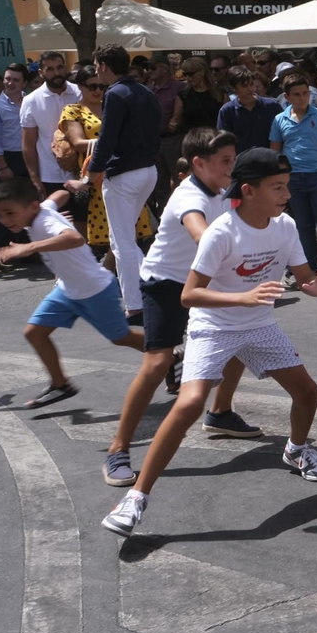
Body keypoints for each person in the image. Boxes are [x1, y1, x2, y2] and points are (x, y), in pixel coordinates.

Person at [101, 149, 317, 537]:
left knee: (307, 391)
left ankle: (296, 450)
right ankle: (136, 498)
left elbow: (305, 278)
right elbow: (189, 295)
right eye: (277, 187)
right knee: (190, 403)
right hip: (214, 325)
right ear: (248, 191)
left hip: (260, 325)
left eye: (287, 186)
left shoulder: (285, 226)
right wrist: (241, 298)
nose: (286, 194)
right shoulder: (222, 231)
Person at [103, 128, 253, 489]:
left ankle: (219, 413)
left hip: (203, 280)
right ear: (198, 164)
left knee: (240, 340)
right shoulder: (188, 196)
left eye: (234, 159)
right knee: (156, 363)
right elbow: (202, 235)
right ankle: (118, 448)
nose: (232, 168)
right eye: (225, 162)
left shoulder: (224, 190)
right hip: (166, 285)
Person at [0, 177, 147, 408]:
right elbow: (57, 197)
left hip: (94, 289)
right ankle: (60, 384)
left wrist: (28, 247)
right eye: (0, 214)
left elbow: (74, 238)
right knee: (34, 333)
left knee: (121, 337)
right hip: (68, 290)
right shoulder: (41, 210)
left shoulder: (43, 222)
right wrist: (69, 188)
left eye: (9, 213)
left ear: (31, 206)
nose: (4, 220)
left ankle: (170, 352)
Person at [87, 45, 163, 315]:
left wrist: (93, 170)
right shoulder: (145, 91)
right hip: (148, 171)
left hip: (124, 174)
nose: (96, 70)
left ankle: (135, 305)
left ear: (104, 66)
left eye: (97, 65)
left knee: (122, 242)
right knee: (125, 240)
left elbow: (108, 137)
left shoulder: (115, 93)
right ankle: (152, 290)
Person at [59, 66, 155, 257]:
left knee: (127, 234)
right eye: (91, 86)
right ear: (80, 86)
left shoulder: (112, 102)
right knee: (98, 239)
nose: (97, 91)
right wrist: (113, 141)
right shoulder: (73, 110)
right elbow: (78, 143)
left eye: (101, 86)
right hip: (92, 180)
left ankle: (111, 275)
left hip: (121, 173)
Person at [270, 73, 317, 271]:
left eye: (305, 93)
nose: (302, 98)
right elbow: (274, 154)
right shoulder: (279, 120)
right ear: (287, 97)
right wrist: (276, 184)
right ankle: (310, 270)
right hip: (293, 179)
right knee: (303, 226)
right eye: (297, 94)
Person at [19, 51, 82, 201]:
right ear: (41, 73)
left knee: (82, 223)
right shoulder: (31, 101)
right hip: (50, 177)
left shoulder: (80, 93)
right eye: (50, 69)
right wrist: (35, 179)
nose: (57, 73)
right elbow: (28, 144)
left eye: (60, 67)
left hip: (82, 175)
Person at [146, 54, 187, 199]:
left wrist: (178, 120)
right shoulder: (148, 90)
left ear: (164, 68)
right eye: (147, 68)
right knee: (158, 183)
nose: (148, 71)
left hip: (174, 140)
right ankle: (162, 216)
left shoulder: (180, 87)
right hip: (154, 141)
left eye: (152, 67)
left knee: (179, 179)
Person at [216, 65, 281, 153]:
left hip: (270, 161)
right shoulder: (227, 111)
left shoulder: (272, 106)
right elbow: (223, 142)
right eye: (244, 86)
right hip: (240, 163)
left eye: (251, 84)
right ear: (233, 88)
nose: (250, 89)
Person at [172, 56, 226, 135]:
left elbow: (226, 120)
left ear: (202, 72)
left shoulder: (220, 93)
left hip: (215, 140)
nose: (188, 78)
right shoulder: (183, 95)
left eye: (191, 74)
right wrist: (172, 125)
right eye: (185, 74)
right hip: (192, 140)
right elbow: (176, 120)